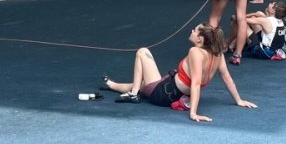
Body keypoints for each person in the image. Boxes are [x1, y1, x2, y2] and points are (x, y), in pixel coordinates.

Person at [100, 24, 256, 122]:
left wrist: (193, 113)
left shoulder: (195, 52)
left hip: (162, 93)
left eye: (195, 30)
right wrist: (238, 100)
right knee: (140, 83)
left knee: (142, 51)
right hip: (170, 91)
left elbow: (196, 83)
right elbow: (228, 79)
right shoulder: (218, 54)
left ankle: (133, 94)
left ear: (200, 39)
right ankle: (111, 84)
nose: (192, 31)